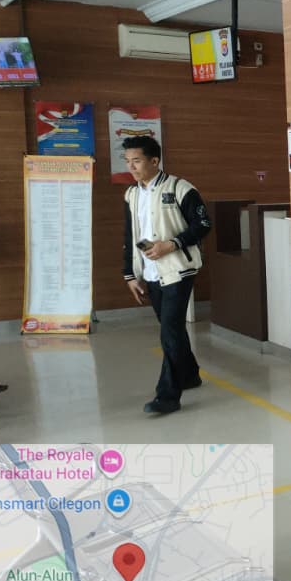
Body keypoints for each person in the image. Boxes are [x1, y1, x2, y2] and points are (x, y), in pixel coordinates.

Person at [120, 136, 211, 414]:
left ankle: (168, 396)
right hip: (150, 272)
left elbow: (203, 224)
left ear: (154, 161)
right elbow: (130, 235)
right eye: (128, 161)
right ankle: (190, 374)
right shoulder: (131, 194)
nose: (131, 167)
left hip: (178, 270)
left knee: (169, 331)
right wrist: (130, 275)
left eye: (136, 161)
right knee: (172, 328)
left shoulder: (180, 188)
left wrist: (171, 244)